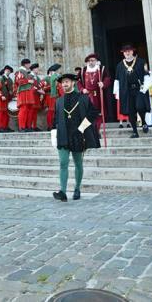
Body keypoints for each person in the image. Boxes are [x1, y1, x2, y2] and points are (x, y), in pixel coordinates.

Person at [52, 74, 100, 202]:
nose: (64, 84)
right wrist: (53, 135)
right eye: (63, 83)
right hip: (63, 136)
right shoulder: (58, 101)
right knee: (63, 163)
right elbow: (55, 120)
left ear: (73, 83)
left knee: (78, 163)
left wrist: (82, 128)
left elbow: (93, 113)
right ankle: (62, 191)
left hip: (78, 135)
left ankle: (77, 188)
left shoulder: (83, 98)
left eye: (67, 82)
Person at [114, 44, 150, 138]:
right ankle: (135, 132)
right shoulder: (119, 65)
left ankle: (143, 122)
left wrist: (144, 88)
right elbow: (117, 80)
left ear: (132, 51)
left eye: (129, 51)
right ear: (123, 53)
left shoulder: (141, 62)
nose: (127, 53)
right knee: (130, 111)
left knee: (140, 107)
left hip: (139, 89)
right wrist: (117, 93)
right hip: (126, 91)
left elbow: (147, 76)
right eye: (125, 52)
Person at [77, 53, 110, 131]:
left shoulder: (101, 69)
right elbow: (78, 82)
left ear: (96, 61)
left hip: (98, 95)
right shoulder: (83, 70)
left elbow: (107, 78)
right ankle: (85, 130)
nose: (91, 62)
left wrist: (103, 83)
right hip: (86, 95)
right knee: (86, 113)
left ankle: (96, 130)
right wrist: (82, 89)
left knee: (98, 113)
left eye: (93, 60)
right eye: (89, 61)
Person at [14, 59, 34, 132]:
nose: (29, 66)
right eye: (29, 64)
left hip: (28, 92)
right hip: (23, 92)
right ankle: (21, 127)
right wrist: (28, 81)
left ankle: (27, 126)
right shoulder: (20, 71)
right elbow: (18, 81)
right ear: (25, 64)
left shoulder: (26, 72)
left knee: (28, 109)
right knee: (24, 108)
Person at [42, 64, 62, 130]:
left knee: (57, 111)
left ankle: (56, 124)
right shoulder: (46, 78)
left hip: (57, 96)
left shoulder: (57, 77)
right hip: (49, 96)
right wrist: (52, 86)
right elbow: (43, 88)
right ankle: (50, 126)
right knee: (51, 111)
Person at [0, 66, 14, 132]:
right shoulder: (1, 79)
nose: (8, 72)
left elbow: (11, 89)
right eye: (7, 70)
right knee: (1, 113)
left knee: (7, 113)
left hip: (8, 99)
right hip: (2, 99)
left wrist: (12, 96)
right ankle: (0, 127)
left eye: (9, 71)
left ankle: (5, 126)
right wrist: (1, 96)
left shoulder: (10, 80)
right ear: (4, 71)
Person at [29, 63, 44, 131]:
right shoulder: (29, 76)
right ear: (34, 69)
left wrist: (41, 90)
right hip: (31, 96)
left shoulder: (37, 77)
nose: (38, 70)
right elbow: (29, 86)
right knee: (31, 111)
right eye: (37, 68)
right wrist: (38, 90)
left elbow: (39, 85)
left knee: (35, 112)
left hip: (36, 96)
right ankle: (30, 126)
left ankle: (34, 126)